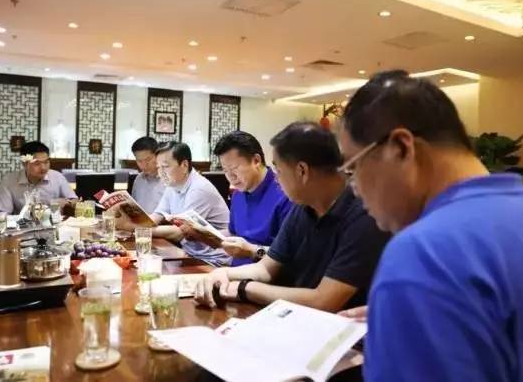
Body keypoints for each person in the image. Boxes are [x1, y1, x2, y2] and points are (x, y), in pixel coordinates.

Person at [339, 71, 523, 382]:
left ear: (401, 147)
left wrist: (413, 294)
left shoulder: (423, 255)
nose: (354, 188)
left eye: (353, 168)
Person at [194, 122, 388, 312]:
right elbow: (266, 269)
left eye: (278, 171)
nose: (276, 180)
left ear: (302, 171)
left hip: (338, 326)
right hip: (295, 315)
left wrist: (244, 288)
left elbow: (324, 301)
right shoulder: (303, 206)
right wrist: (223, 273)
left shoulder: (364, 212)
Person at [182, 131, 293, 266]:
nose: (231, 177)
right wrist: (202, 235)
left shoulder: (286, 194)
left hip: (267, 275)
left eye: (234, 168)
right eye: (225, 170)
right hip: (235, 271)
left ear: (256, 160)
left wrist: (252, 251)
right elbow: (233, 233)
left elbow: (291, 255)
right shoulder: (238, 194)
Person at [150, 141, 231, 266]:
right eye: (158, 167)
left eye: (165, 166)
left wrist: (142, 230)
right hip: (191, 255)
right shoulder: (172, 185)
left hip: (214, 260)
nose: (160, 173)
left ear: (184, 165)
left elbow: (180, 232)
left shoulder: (199, 188)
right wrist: (134, 221)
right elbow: (157, 215)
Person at [0, 141, 77, 214]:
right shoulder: (9, 181)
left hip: (54, 224)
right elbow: (2, 213)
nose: (43, 168)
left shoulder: (57, 177)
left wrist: (68, 203)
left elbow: (74, 200)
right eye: (37, 164)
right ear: (24, 164)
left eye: (46, 162)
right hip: (22, 225)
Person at [130, 137, 166, 213]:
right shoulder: (139, 179)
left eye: (148, 160)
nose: (144, 165)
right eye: (139, 161)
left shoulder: (169, 180)